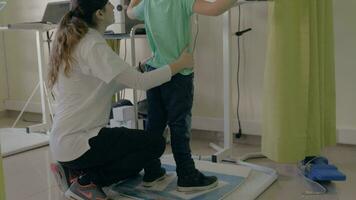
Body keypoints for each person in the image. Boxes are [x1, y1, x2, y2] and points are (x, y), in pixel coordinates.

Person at [48, 0, 194, 199]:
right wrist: (178, 65)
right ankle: (87, 182)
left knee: (133, 164)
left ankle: (74, 171)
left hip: (64, 141)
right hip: (79, 142)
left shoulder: (76, 38)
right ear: (99, 13)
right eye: (108, 3)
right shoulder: (92, 44)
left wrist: (140, 69)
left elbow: (104, 85)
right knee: (155, 145)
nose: (113, 6)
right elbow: (141, 83)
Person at [127, 0, 239, 192]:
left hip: (154, 71)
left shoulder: (147, 4)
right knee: (179, 126)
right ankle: (186, 175)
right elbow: (215, 9)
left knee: (155, 124)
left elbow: (129, 13)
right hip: (178, 73)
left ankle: (152, 171)